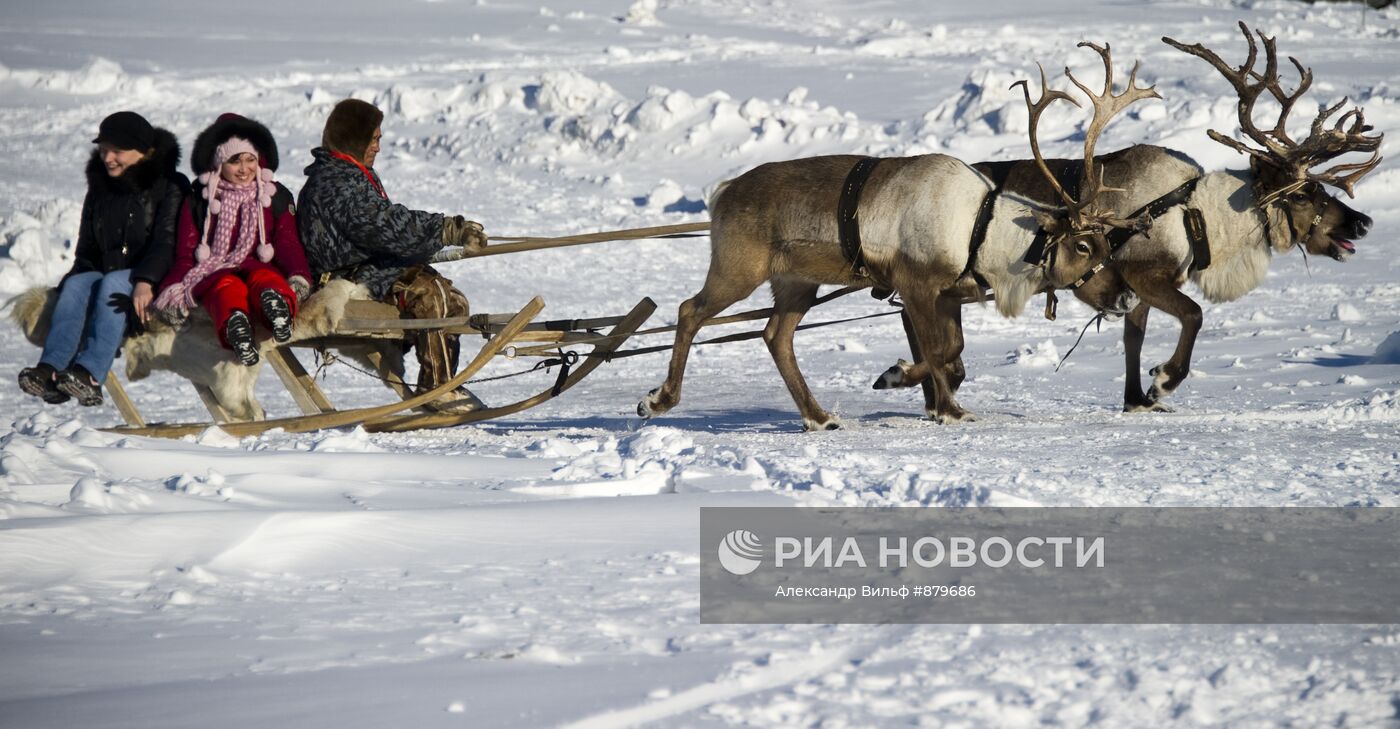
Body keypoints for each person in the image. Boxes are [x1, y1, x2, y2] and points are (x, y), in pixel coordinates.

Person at [297, 98, 487, 410]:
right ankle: (436, 389)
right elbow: (384, 223)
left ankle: (444, 382)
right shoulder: (335, 184)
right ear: (353, 139)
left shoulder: (353, 173)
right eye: (374, 139)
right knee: (431, 294)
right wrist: (446, 230)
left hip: (370, 269)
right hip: (347, 278)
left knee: (455, 301)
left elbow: (384, 223)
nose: (378, 148)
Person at [18, 111, 187, 406]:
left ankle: (91, 374)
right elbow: (87, 250)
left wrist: (146, 280)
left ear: (143, 152)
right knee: (77, 285)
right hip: (113, 275)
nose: (108, 158)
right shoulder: (100, 186)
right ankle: (52, 369)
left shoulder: (170, 185)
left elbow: (167, 242)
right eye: (103, 150)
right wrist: (73, 285)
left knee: (111, 283)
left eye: (117, 151)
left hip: (157, 275)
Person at [153, 114, 310, 366]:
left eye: (250, 159)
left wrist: (298, 275)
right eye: (235, 161)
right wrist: (173, 289)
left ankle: (278, 309)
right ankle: (236, 328)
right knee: (225, 288)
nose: (245, 168)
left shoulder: (273, 195)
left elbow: (287, 243)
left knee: (267, 280)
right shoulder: (201, 198)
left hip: (260, 267)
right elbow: (186, 253)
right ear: (218, 162)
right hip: (216, 271)